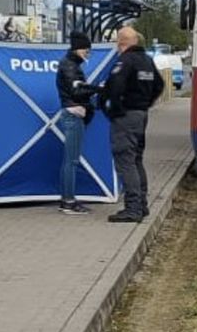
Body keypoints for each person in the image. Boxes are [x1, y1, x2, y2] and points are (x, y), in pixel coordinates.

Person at [100, 26, 164, 223]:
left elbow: (115, 86)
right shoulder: (147, 60)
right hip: (141, 115)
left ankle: (133, 208)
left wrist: (114, 109)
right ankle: (142, 205)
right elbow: (160, 85)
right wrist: (146, 103)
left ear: (121, 43)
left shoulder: (125, 60)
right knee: (136, 159)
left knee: (125, 160)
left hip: (126, 116)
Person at [56, 30, 96, 215]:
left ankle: (67, 199)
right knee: (71, 161)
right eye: (87, 50)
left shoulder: (69, 64)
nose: (88, 54)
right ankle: (68, 202)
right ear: (79, 48)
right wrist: (97, 89)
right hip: (74, 115)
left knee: (69, 160)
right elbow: (77, 91)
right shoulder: (70, 66)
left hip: (73, 114)